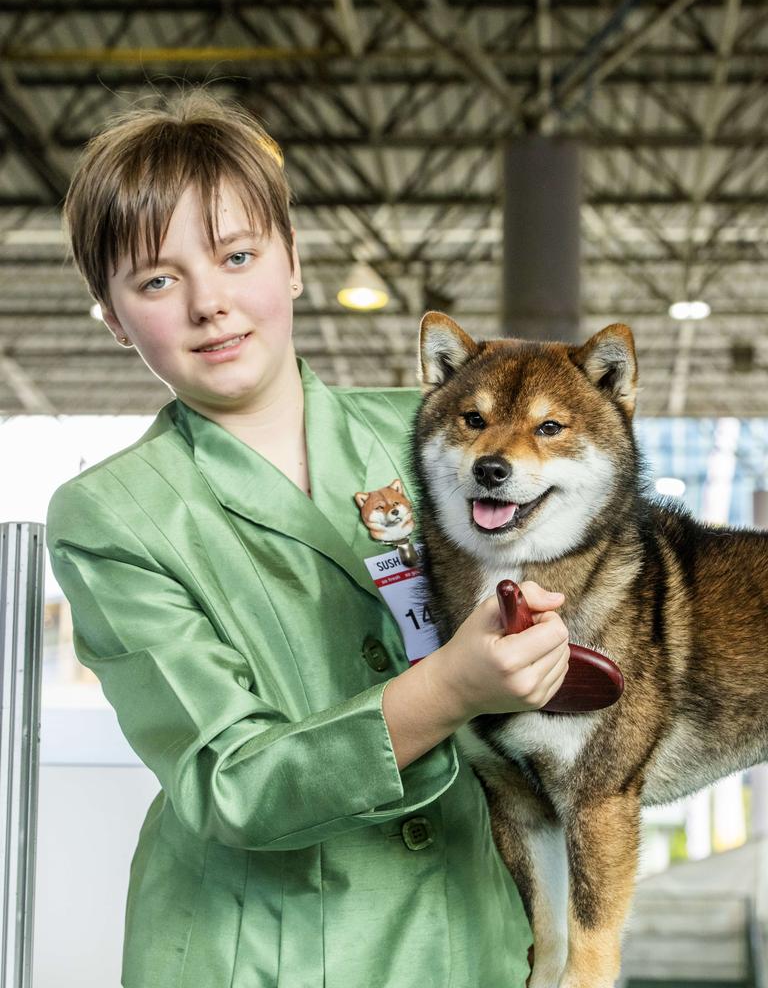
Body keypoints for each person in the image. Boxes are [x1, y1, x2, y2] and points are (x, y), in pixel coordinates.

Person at [46, 90, 570, 988]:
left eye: (237, 255)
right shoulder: (112, 516)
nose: (211, 302)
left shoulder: (439, 437)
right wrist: (449, 688)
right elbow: (233, 785)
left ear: (291, 261)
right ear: (111, 314)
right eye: (157, 280)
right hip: (256, 953)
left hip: (472, 936)